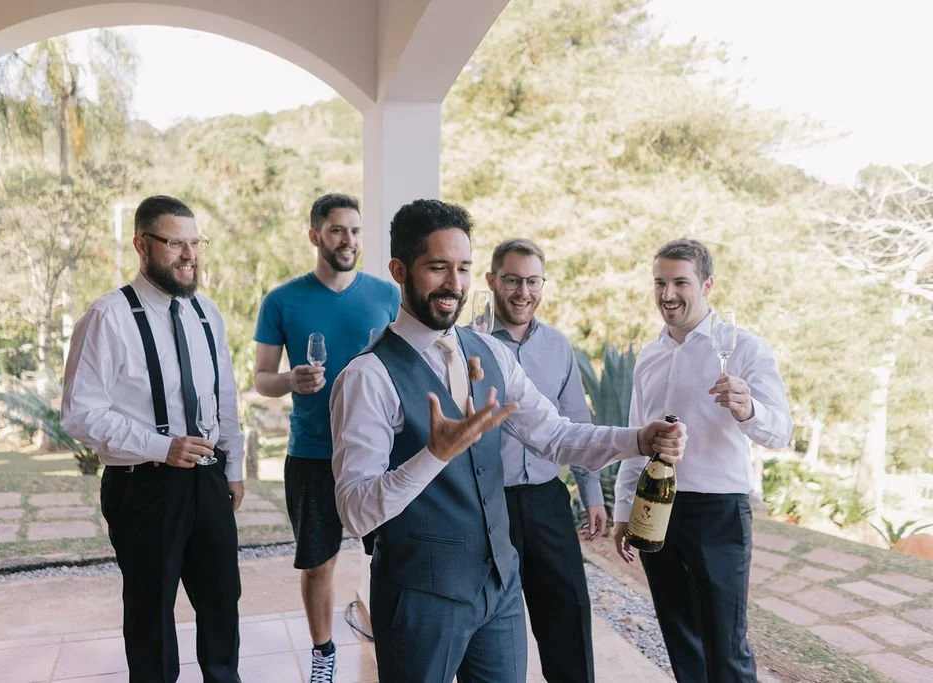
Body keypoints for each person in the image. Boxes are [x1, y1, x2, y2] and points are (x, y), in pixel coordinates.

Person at [329, 198, 686, 683]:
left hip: (499, 588)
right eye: (437, 268)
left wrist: (639, 438)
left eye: (463, 268)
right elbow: (354, 510)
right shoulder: (367, 377)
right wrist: (435, 454)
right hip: (420, 599)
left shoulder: (491, 352)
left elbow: (557, 436)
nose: (454, 284)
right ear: (399, 269)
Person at [62, 195, 244, 682]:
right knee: (150, 616)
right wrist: (161, 446)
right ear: (142, 245)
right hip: (142, 487)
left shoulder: (207, 311)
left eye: (195, 242)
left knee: (223, 605)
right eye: (175, 243)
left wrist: (235, 466)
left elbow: (222, 394)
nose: (190, 254)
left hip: (208, 481)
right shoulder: (107, 317)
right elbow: (79, 414)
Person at [613, 239, 792, 683]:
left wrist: (748, 409)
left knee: (725, 646)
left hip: (719, 512)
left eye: (680, 282)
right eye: (660, 282)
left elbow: (780, 432)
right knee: (680, 640)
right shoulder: (648, 356)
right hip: (656, 510)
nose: (667, 294)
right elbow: (639, 436)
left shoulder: (744, 348)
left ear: (707, 285)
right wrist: (623, 513)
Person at [252, 193, 399, 680]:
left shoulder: (388, 296)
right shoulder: (281, 300)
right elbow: (261, 379)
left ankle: (396, 648)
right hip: (313, 454)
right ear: (315, 235)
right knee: (318, 564)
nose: (348, 241)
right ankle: (323, 655)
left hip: (380, 455)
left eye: (355, 231)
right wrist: (291, 380)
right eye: (337, 231)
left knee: (392, 559)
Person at [486, 237, 604, 682]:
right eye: (513, 280)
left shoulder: (557, 347)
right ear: (492, 281)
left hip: (546, 501)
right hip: (487, 505)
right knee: (491, 622)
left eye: (532, 281)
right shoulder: (467, 343)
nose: (523, 292)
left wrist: (592, 493)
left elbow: (577, 424)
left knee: (568, 613)